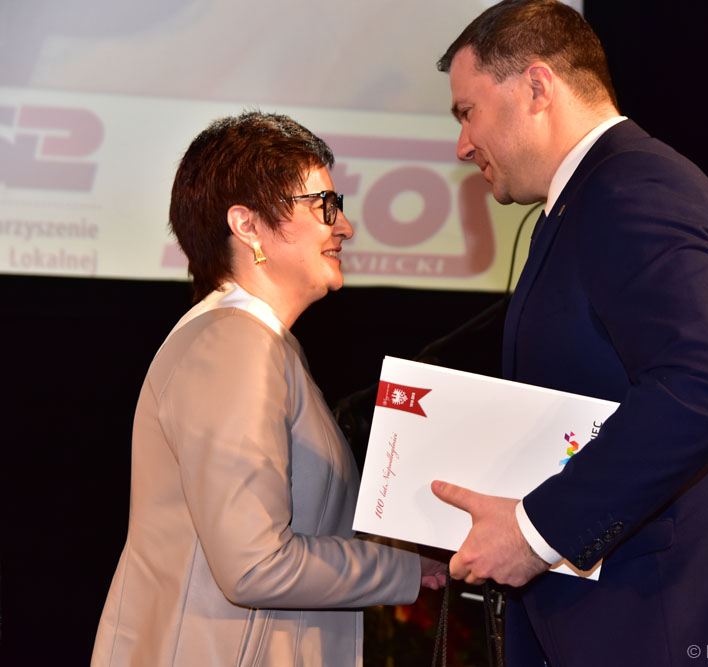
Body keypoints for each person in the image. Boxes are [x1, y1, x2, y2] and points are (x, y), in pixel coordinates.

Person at [430, 1, 708, 664]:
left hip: (675, 614)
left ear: (537, 87)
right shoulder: (592, 196)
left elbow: (703, 389)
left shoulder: (633, 190)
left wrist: (534, 532)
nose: (463, 144)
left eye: (467, 112)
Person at [91, 111, 446, 667]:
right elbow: (255, 565)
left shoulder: (257, 343)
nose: (344, 226)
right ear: (247, 225)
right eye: (324, 205)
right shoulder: (234, 343)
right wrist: (405, 570)